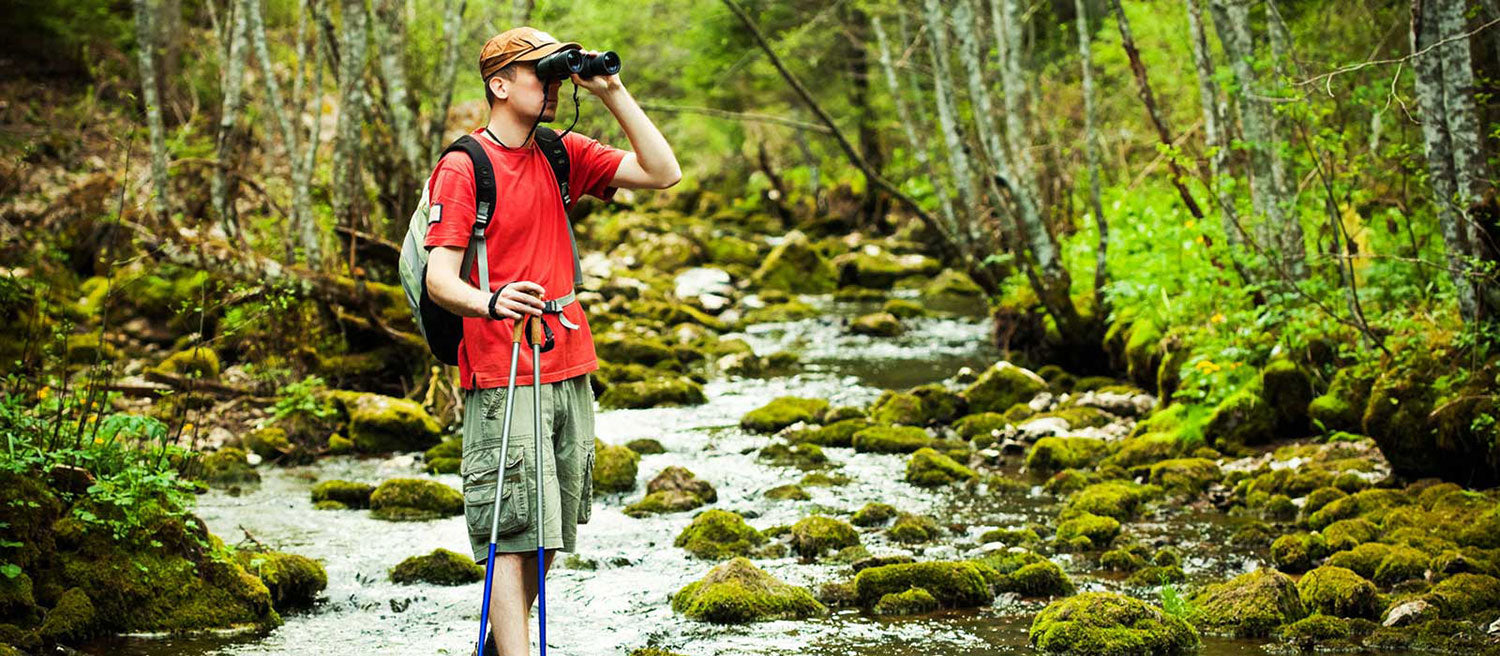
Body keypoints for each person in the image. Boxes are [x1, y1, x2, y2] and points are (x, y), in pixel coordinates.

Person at [422, 26, 680, 656]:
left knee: (553, 527)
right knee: (512, 527)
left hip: (567, 359)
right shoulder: (464, 167)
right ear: (500, 84)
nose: (555, 85)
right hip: (499, 364)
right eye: (542, 74)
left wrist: (613, 90)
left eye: (558, 74)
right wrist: (490, 301)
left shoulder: (562, 153)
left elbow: (662, 171)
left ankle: (496, 646)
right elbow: (438, 281)